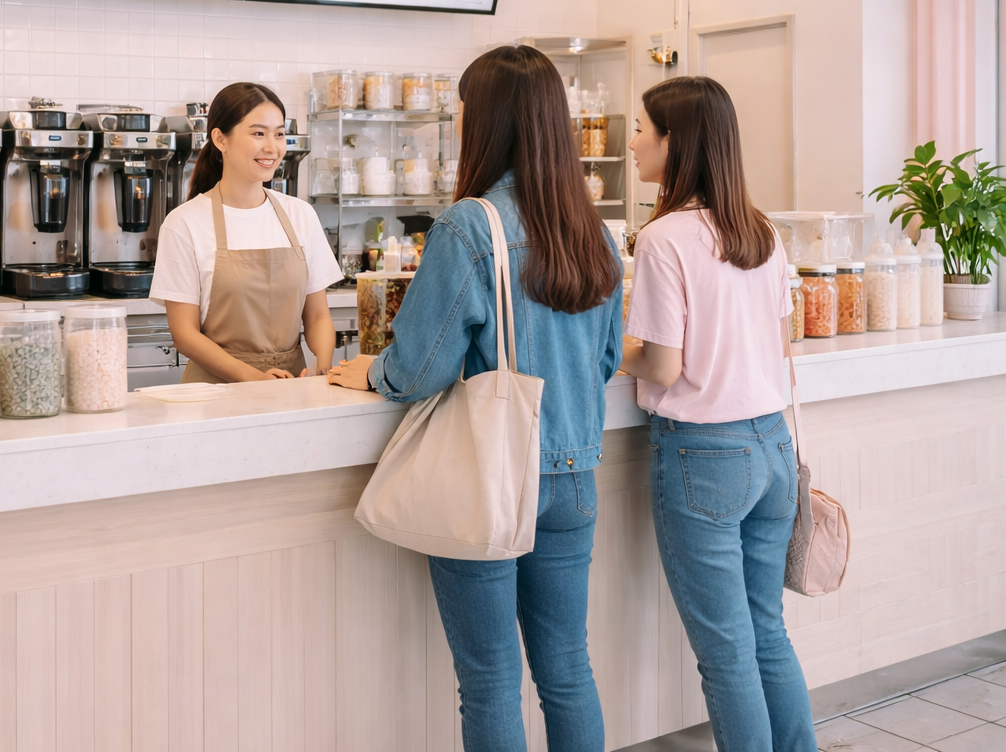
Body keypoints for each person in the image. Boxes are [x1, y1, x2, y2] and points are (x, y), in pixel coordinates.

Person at [329, 45, 622, 752]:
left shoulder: (469, 225)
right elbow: (607, 358)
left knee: (490, 679)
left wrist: (368, 372)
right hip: (575, 476)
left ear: (485, 120)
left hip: (493, 475)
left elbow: (420, 368)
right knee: (567, 669)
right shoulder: (595, 229)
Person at [622, 75, 817, 751]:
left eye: (641, 129)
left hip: (703, 456)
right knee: (766, 633)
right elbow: (782, 348)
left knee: (728, 653)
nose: (632, 141)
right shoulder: (760, 231)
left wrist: (616, 352)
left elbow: (664, 366)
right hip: (772, 451)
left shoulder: (664, 238)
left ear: (677, 142)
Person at [151, 82, 341, 382]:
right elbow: (185, 334)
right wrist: (254, 378)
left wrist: (323, 366)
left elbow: (317, 316)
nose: (272, 147)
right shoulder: (184, 223)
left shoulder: (300, 215)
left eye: (279, 134)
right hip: (215, 392)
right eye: (258, 133)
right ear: (220, 139)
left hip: (293, 390)